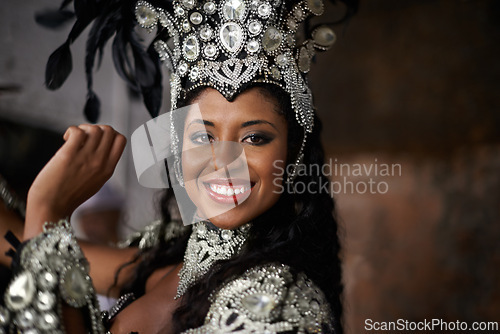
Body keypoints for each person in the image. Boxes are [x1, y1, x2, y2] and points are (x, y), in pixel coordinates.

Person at [1, 0, 357, 332]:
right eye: (203, 137)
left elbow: (38, 257)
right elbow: (16, 244)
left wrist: (47, 208)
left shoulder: (273, 302)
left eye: (254, 138)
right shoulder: (169, 258)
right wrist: (43, 212)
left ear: (292, 153)